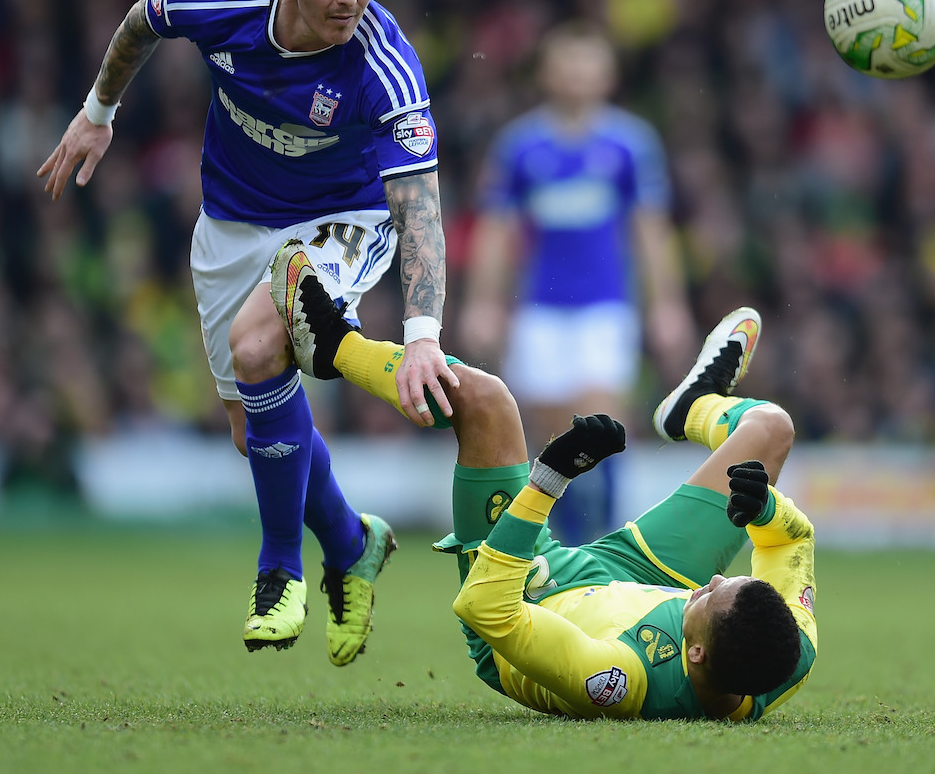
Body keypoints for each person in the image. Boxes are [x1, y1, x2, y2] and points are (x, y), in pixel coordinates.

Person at [36, 0, 465, 665]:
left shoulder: (383, 60)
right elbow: (142, 17)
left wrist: (424, 336)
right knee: (252, 430)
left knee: (260, 344)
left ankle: (278, 570)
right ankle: (350, 539)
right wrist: (99, 109)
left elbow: (422, 213)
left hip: (346, 222)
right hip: (232, 225)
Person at [270, 254, 815, 719]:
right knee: (771, 430)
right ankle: (692, 408)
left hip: (531, 594)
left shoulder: (619, 675)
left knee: (486, 401)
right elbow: (792, 542)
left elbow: (486, 609)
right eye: (730, 581)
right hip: (642, 578)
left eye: (715, 592)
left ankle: (333, 345)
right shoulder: (787, 654)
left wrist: (549, 479)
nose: (716, 578)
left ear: (694, 655)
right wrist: (764, 509)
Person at [460, 21, 693, 543]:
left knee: (603, 423)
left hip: (605, 307)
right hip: (539, 310)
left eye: (589, 64)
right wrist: (483, 303)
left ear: (607, 76)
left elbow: (651, 231)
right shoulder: (520, 146)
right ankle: (560, 551)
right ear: (547, 73)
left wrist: (667, 305)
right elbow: (496, 232)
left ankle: (604, 545)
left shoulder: (629, 144)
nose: (578, 76)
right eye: (568, 64)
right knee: (551, 436)